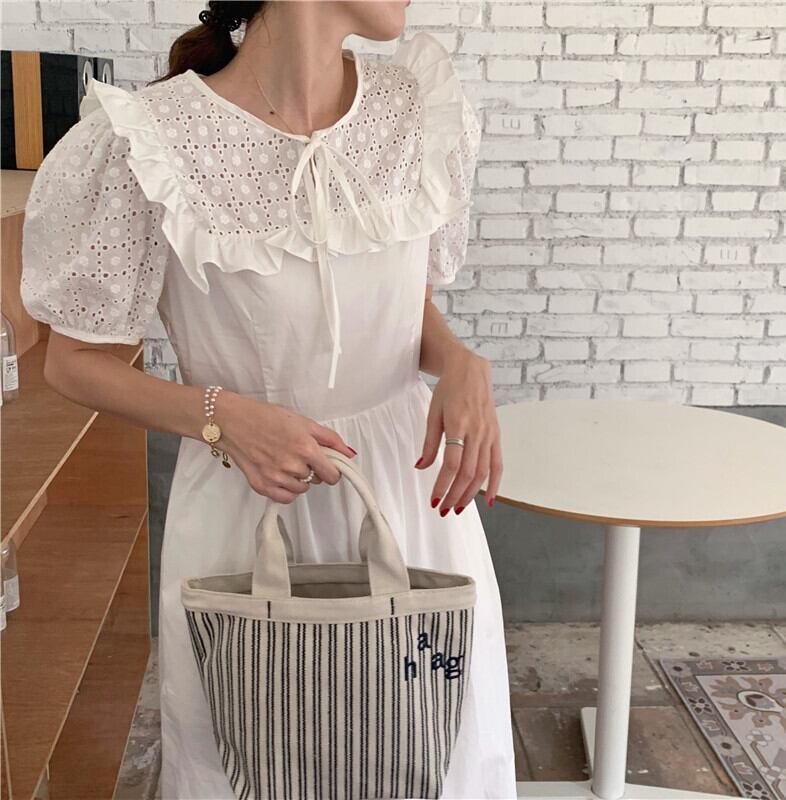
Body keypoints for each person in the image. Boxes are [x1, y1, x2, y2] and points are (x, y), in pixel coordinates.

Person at [20, 1, 518, 797]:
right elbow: (71, 363)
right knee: (257, 755)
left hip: (406, 497)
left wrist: (459, 361)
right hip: (246, 501)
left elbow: (398, 300)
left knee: (431, 750)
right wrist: (221, 417)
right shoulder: (146, 141)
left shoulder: (413, 111)